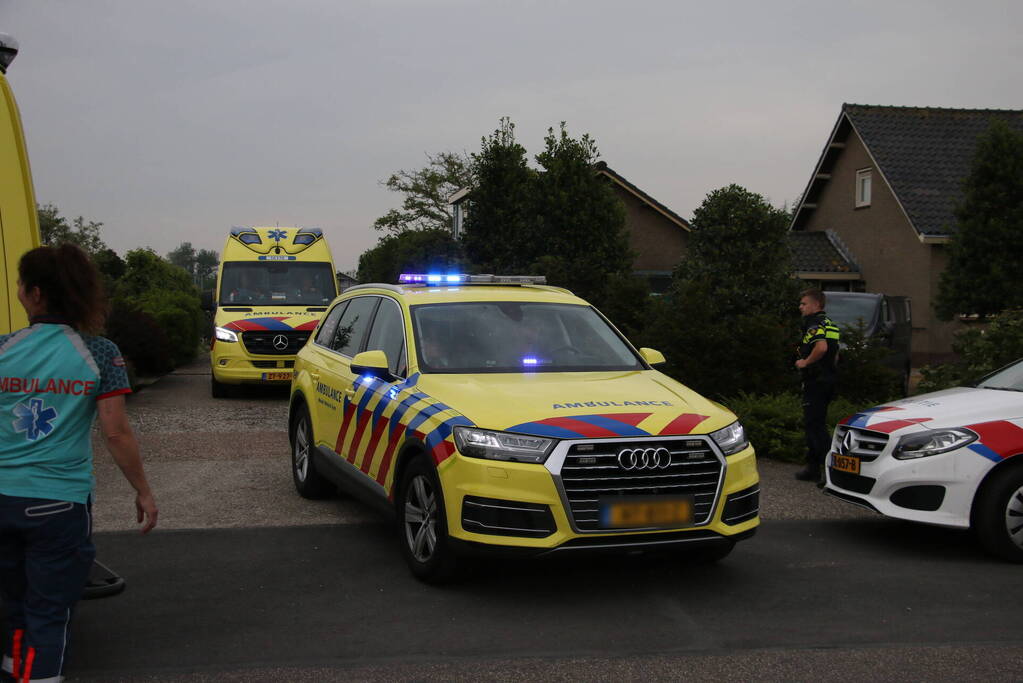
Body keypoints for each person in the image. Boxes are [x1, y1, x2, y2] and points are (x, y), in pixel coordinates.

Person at [0, 244, 158, 683]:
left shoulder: (3, 348)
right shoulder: (100, 354)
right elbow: (115, 432)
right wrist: (142, 490)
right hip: (57, 505)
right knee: (48, 614)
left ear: (34, 293)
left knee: (13, 608)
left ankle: (17, 671)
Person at [793, 288, 840, 483]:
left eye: (804, 304)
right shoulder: (830, 323)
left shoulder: (814, 322)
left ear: (816, 305)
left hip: (816, 381)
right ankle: (813, 468)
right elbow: (835, 354)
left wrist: (805, 362)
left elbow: (821, 347)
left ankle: (831, 471)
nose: (800, 307)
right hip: (827, 380)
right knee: (815, 424)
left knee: (815, 427)